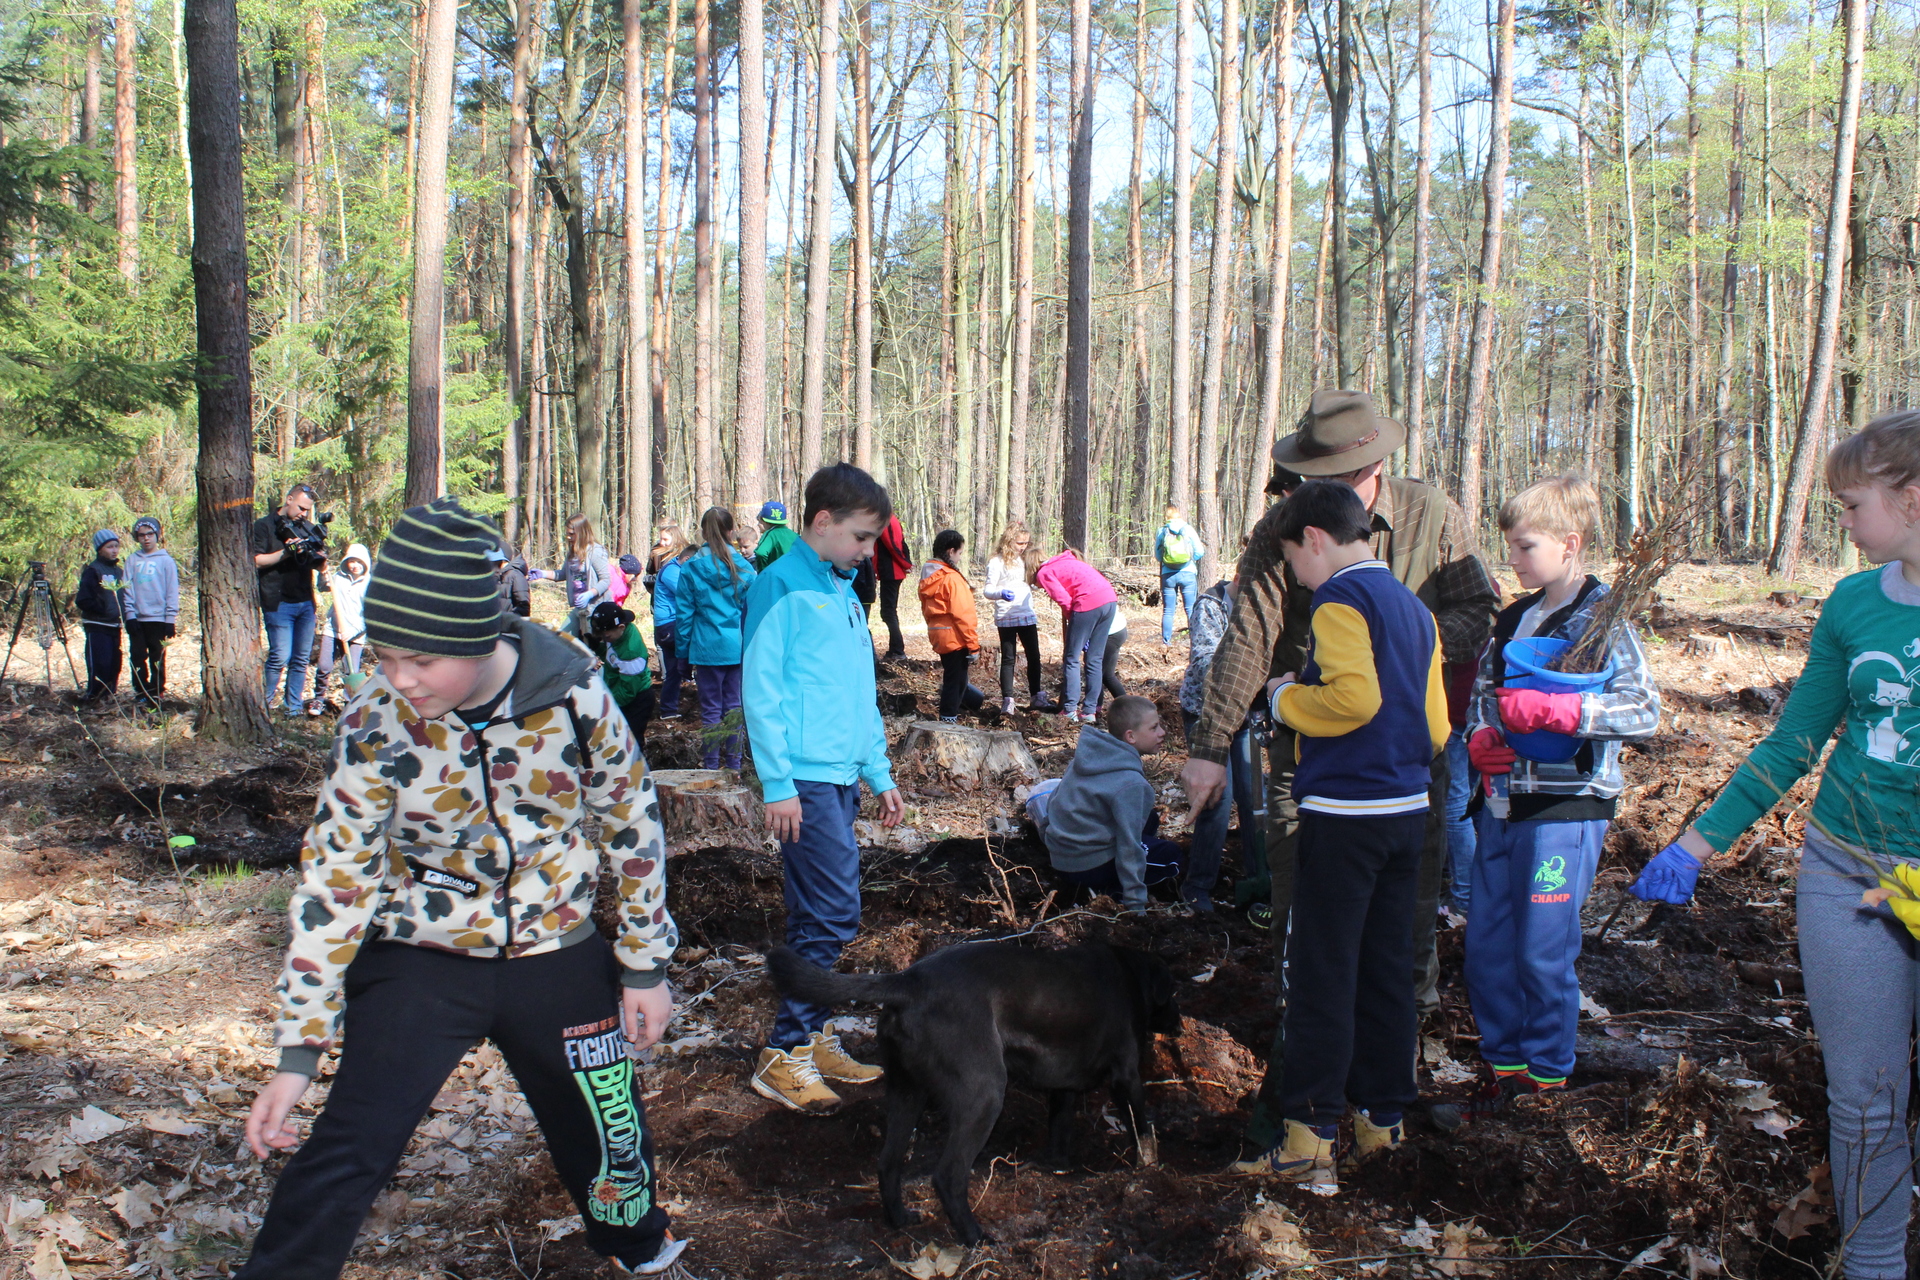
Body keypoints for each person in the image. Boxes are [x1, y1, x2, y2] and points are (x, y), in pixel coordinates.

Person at [234, 498, 685, 1280]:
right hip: (422, 954)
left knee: (610, 1131)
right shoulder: (376, 716)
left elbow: (632, 824)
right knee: (352, 1142)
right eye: (385, 656)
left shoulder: (576, 697)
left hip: (559, 954)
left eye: (421, 661)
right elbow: (336, 872)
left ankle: (640, 1252)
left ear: (480, 637)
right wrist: (299, 1048)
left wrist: (645, 965)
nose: (400, 679)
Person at [1624, 413, 1920, 1280]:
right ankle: (1873, 1265)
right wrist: (1700, 840)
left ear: (1912, 498)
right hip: (1848, 868)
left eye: (1850, 503)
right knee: (1865, 1097)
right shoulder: (1855, 603)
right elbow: (1795, 740)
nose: (1841, 522)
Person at [1182, 390, 1499, 1150]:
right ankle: (1307, 1103)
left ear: (1376, 467)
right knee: (1311, 937)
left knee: (1399, 938)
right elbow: (1248, 640)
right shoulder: (1280, 529)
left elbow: (1477, 615)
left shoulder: (1433, 516)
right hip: (1314, 771)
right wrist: (1207, 746)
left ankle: (1370, 1106)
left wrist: (1378, 656)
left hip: (1394, 770)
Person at [1228, 480, 1448, 1188]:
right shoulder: (1415, 609)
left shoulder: (1340, 599)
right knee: (1386, 973)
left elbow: (1354, 697)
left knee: (1322, 976)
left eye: (1294, 561)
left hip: (1345, 817)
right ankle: (1382, 1124)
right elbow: (1437, 725)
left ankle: (1309, 1134)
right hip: (1406, 813)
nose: (1296, 575)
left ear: (1315, 539)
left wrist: (1286, 698)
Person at [1452, 475, 1660, 1118]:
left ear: (1570, 544)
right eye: (1510, 547)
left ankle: (1546, 1077)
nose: (1512, 561)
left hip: (1565, 811)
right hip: (1501, 805)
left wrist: (1567, 712)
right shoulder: (1515, 616)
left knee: (1542, 947)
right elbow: (1483, 697)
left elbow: (1642, 709)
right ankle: (1503, 1066)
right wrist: (1482, 737)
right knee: (1487, 942)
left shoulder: (1602, 618)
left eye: (1524, 547)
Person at [741, 463, 905, 1114]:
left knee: (818, 915)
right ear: (822, 522)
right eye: (863, 538)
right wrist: (778, 782)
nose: (869, 553)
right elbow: (762, 691)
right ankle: (785, 1053)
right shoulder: (780, 586)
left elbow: (857, 693)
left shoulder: (841, 589)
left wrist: (878, 770)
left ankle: (812, 1035)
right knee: (834, 914)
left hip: (838, 774)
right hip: (802, 780)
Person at [1033, 695, 1185, 912]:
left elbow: (1055, 803)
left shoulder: (1087, 758)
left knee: (1149, 818)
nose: (1162, 732)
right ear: (1131, 736)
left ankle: (1094, 878)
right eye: (1154, 728)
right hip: (1088, 866)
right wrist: (1135, 904)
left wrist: (1052, 841)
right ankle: (1112, 892)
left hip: (1062, 856)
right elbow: (1129, 847)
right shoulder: (1130, 784)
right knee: (1171, 857)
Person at [1180, 571, 1264, 914]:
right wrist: (1250, 668)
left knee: (1252, 796)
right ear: (1241, 575)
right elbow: (1204, 663)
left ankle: (1260, 878)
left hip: (1246, 715)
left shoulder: (1263, 609)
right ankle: (1197, 885)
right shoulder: (1211, 606)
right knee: (1216, 799)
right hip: (1206, 714)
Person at [680, 507, 757, 770]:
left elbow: (684, 616)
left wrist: (682, 653)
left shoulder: (690, 569)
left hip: (706, 649)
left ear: (703, 532)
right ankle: (734, 766)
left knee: (711, 710)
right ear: (731, 531)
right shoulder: (745, 568)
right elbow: (753, 612)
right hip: (736, 647)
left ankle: (712, 765)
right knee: (734, 708)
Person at [252, 484, 329, 717]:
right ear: (289, 499)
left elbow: (315, 560)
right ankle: (263, 704)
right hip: (277, 601)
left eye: (308, 510)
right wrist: (286, 552)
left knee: (301, 658)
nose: (304, 514)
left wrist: (320, 559)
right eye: (301, 508)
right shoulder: (264, 526)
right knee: (279, 655)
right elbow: (256, 560)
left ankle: (293, 707)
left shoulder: (305, 527)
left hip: (305, 601)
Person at [1035, 548, 1118, 725]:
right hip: (1109, 599)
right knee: (1095, 658)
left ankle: (1070, 709)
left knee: (1072, 658)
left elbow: (1064, 600)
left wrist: (1074, 622)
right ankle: (1089, 711)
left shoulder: (1044, 572)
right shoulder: (1067, 561)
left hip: (1087, 603)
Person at [985, 523, 1055, 714]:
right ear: (1009, 541)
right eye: (1019, 543)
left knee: (1034, 655)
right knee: (1008, 658)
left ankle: (1036, 696)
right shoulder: (996, 562)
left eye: (1025, 543)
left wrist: (1036, 585)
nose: (1023, 546)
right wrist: (1001, 593)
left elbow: (1027, 583)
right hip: (1006, 615)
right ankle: (1008, 700)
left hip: (1026, 614)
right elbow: (988, 590)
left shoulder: (1025, 560)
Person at [918, 530, 986, 722]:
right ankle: (948, 717)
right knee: (955, 680)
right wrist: (973, 645)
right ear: (951, 551)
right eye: (960, 552)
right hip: (955, 636)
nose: (960, 556)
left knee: (956, 677)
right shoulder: (951, 578)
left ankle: (960, 709)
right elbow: (962, 614)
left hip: (939, 633)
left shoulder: (929, 576)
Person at [123, 517, 180, 709]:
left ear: (157, 535)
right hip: (138, 618)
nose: (146, 539)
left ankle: (156, 691)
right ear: (137, 538)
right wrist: (130, 615)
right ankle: (140, 691)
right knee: (137, 656)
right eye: (141, 535)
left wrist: (170, 619)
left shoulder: (166, 561)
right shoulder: (132, 560)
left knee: (158, 656)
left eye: (150, 534)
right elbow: (127, 589)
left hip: (158, 618)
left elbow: (172, 590)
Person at [586, 600, 656, 746]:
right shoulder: (616, 634)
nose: (604, 640)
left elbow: (627, 691)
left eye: (606, 637)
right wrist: (598, 648)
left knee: (629, 741)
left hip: (636, 699)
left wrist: (608, 708)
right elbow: (612, 654)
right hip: (618, 688)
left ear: (621, 627)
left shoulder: (631, 653)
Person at [315, 543, 373, 711]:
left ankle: (351, 706)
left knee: (351, 671)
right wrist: (323, 574)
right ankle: (319, 698)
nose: (354, 565)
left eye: (358, 562)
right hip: (332, 630)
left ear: (365, 563)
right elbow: (323, 587)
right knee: (324, 666)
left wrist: (352, 632)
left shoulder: (370, 584)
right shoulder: (338, 577)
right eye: (351, 561)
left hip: (355, 634)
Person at [75, 529, 126, 702]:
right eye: (110, 547)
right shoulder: (93, 570)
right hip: (97, 625)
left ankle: (109, 695)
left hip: (115, 625)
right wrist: (102, 608)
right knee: (100, 663)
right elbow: (83, 599)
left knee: (114, 664)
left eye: (116, 546)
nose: (114, 550)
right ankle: (94, 696)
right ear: (100, 549)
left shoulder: (119, 572)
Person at [1155, 505, 1207, 645]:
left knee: (1168, 610)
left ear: (1167, 517)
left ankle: (1166, 642)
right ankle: (1194, 640)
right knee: (1190, 608)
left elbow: (1158, 555)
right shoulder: (1188, 529)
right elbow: (1200, 551)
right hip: (1188, 573)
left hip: (1168, 574)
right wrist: (1190, 560)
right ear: (1179, 516)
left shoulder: (1162, 531)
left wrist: (1168, 562)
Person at [873, 513, 913, 660]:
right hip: (890, 571)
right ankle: (895, 649)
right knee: (888, 612)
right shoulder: (889, 519)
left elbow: (894, 545)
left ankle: (897, 650)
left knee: (888, 612)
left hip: (891, 572)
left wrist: (905, 563)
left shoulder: (886, 520)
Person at [562, 513, 613, 617]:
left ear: (581, 533)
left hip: (596, 608)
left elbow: (606, 580)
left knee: (589, 633)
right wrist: (542, 574)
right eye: (567, 534)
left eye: (571, 534)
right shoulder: (572, 552)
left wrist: (589, 594)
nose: (568, 537)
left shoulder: (596, 551)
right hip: (579, 608)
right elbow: (563, 574)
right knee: (562, 633)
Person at [754, 501, 798, 570]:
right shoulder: (794, 535)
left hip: (776, 577)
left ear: (764, 521)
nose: (758, 524)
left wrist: (763, 572)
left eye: (759, 521)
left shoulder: (771, 534)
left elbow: (761, 553)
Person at [496, 541, 531, 618]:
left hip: (508, 625)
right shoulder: (494, 575)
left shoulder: (515, 575)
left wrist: (508, 621)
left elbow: (523, 608)